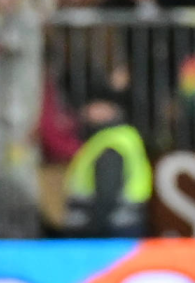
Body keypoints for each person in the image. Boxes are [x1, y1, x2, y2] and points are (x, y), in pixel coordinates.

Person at [63, 98, 152, 235]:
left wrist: (96, 227)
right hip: (123, 222)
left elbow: (107, 191)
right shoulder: (118, 137)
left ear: (111, 110)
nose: (88, 109)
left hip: (110, 227)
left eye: (96, 105)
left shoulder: (111, 143)